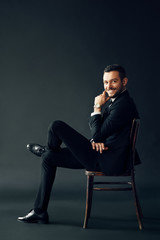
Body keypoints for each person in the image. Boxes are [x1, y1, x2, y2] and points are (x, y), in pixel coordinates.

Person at [17, 64, 140, 224]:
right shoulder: (116, 102)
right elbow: (102, 132)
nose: (108, 86)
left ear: (124, 81)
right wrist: (98, 139)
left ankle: (47, 149)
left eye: (113, 81)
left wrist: (97, 107)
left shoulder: (123, 105)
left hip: (105, 160)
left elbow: (97, 133)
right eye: (105, 82)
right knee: (48, 158)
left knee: (56, 126)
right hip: (101, 153)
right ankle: (40, 211)